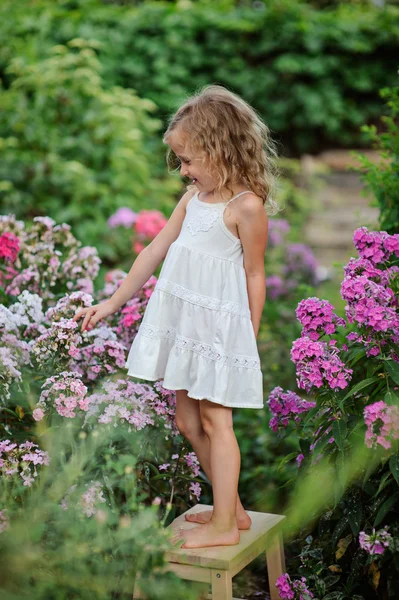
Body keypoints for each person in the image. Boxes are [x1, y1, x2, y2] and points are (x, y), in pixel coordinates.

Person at [73, 84, 280, 549]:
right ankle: (234, 510)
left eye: (188, 160)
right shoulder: (191, 199)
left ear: (219, 151)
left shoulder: (245, 207)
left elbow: (255, 274)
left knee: (215, 421)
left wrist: (246, 339)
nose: (183, 170)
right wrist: (112, 302)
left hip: (219, 332)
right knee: (188, 420)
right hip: (184, 326)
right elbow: (154, 249)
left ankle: (225, 525)